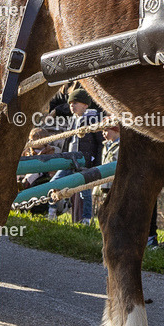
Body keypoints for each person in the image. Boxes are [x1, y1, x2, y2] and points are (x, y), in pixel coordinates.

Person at [47, 86, 103, 224]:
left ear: (85, 105)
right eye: (70, 103)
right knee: (54, 183)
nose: (72, 106)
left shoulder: (93, 119)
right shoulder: (72, 120)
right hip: (70, 160)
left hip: (84, 160)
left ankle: (86, 219)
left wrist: (96, 163)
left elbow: (100, 143)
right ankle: (52, 212)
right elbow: (68, 141)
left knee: (85, 192)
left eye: (75, 103)